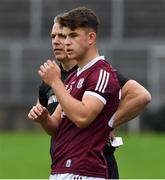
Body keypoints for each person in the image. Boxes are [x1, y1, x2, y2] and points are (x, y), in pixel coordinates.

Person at [28, 8, 151, 179]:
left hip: (88, 168)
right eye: (55, 36)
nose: (61, 41)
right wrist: (43, 118)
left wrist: (106, 124)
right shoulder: (65, 78)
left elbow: (84, 117)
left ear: (91, 38)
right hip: (61, 167)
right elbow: (56, 124)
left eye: (69, 36)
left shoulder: (101, 73)